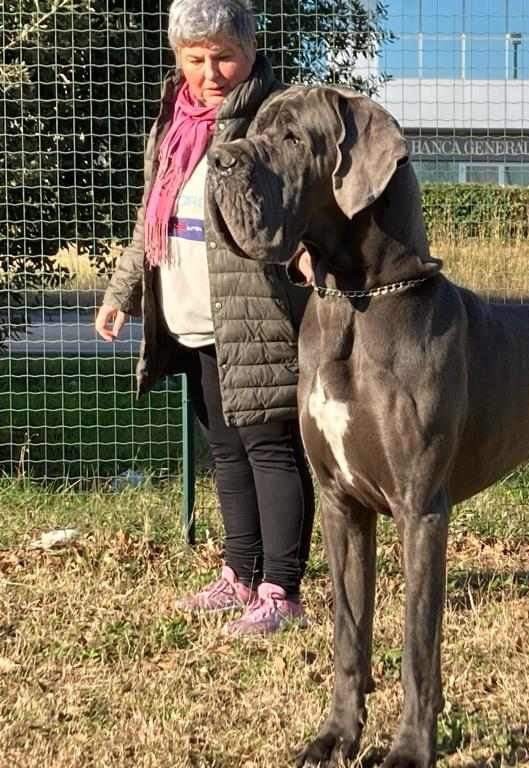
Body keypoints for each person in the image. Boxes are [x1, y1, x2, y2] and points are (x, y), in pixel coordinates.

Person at [95, 0, 315, 636]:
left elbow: (301, 206)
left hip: (256, 316)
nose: (211, 70)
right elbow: (152, 220)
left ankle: (281, 590)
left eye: (225, 54)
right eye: (196, 57)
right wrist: (120, 294)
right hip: (189, 311)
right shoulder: (176, 121)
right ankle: (240, 573)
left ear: (249, 52)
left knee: (269, 448)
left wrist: (304, 251)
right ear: (178, 59)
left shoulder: (275, 119)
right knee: (225, 450)